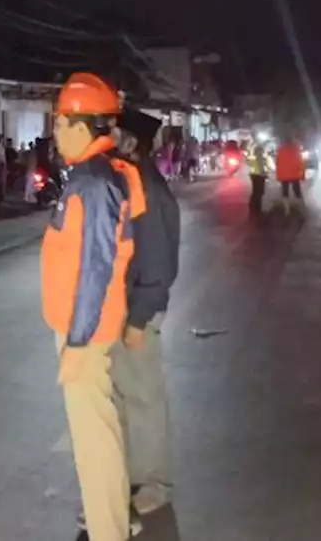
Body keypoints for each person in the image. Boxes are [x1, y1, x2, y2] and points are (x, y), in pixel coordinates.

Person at [41, 73, 146, 540]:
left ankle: (109, 531)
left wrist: (78, 343)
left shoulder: (95, 184)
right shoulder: (93, 176)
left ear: (82, 127)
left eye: (60, 122)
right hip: (89, 326)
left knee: (94, 442)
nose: (55, 132)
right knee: (98, 435)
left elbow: (94, 268)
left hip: (87, 330)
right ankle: (114, 523)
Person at [110, 108, 180, 518]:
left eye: (116, 134)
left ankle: (155, 483)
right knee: (123, 396)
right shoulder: (128, 183)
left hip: (137, 310)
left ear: (133, 142)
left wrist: (138, 319)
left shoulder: (148, 190)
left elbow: (159, 264)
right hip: (120, 307)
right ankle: (131, 476)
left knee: (144, 398)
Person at [274, 135, 306, 214]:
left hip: (284, 175)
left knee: (285, 192)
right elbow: (300, 162)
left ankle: (287, 210)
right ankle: (302, 208)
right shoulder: (296, 149)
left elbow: (278, 163)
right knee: (297, 191)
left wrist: (278, 176)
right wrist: (302, 175)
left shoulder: (280, 150)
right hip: (295, 174)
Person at [245, 143, 267, 214]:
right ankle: (257, 208)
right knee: (260, 192)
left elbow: (248, 163)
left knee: (256, 191)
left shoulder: (252, 158)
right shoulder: (261, 157)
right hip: (259, 176)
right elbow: (261, 167)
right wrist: (264, 174)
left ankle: (253, 207)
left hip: (253, 175)